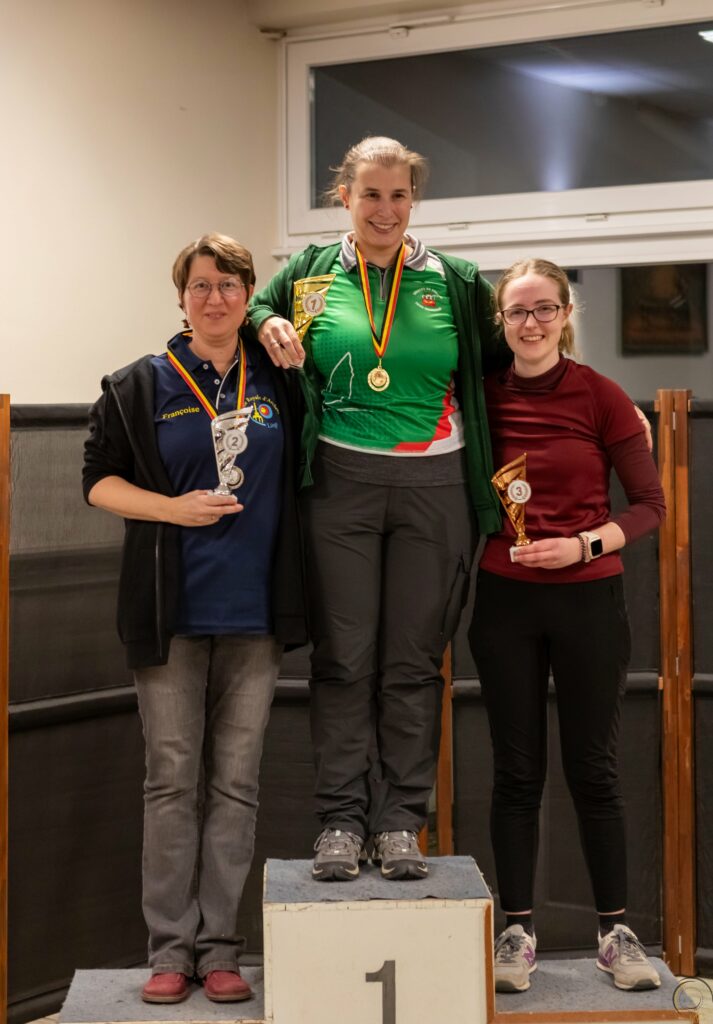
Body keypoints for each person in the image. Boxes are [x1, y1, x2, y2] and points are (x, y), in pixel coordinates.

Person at [249, 135, 509, 882]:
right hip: (340, 484)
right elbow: (256, 305)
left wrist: (604, 406)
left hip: (437, 486)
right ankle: (340, 821)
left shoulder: (455, 279)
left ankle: (399, 824)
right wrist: (263, 321)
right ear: (345, 197)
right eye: (371, 194)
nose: (385, 209)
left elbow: (512, 359)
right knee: (342, 659)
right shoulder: (309, 272)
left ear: (413, 200)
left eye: (398, 195)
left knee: (412, 663)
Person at [82, 234, 306, 1004]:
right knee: (172, 782)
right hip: (169, 614)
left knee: (236, 784)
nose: (215, 298)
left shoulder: (279, 378)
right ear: (181, 297)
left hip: (256, 612)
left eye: (229, 285)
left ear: (248, 295)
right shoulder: (137, 384)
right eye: (201, 285)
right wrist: (171, 509)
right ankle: (170, 951)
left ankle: (220, 951)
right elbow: (98, 483)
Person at [468, 258, 666, 994]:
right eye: (517, 311)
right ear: (501, 321)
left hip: (588, 599)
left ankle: (614, 934)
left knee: (594, 770)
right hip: (504, 602)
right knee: (516, 774)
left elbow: (649, 506)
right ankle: (516, 934)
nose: (531, 323)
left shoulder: (602, 396)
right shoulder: (480, 396)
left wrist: (581, 545)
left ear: (565, 314)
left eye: (544, 309)